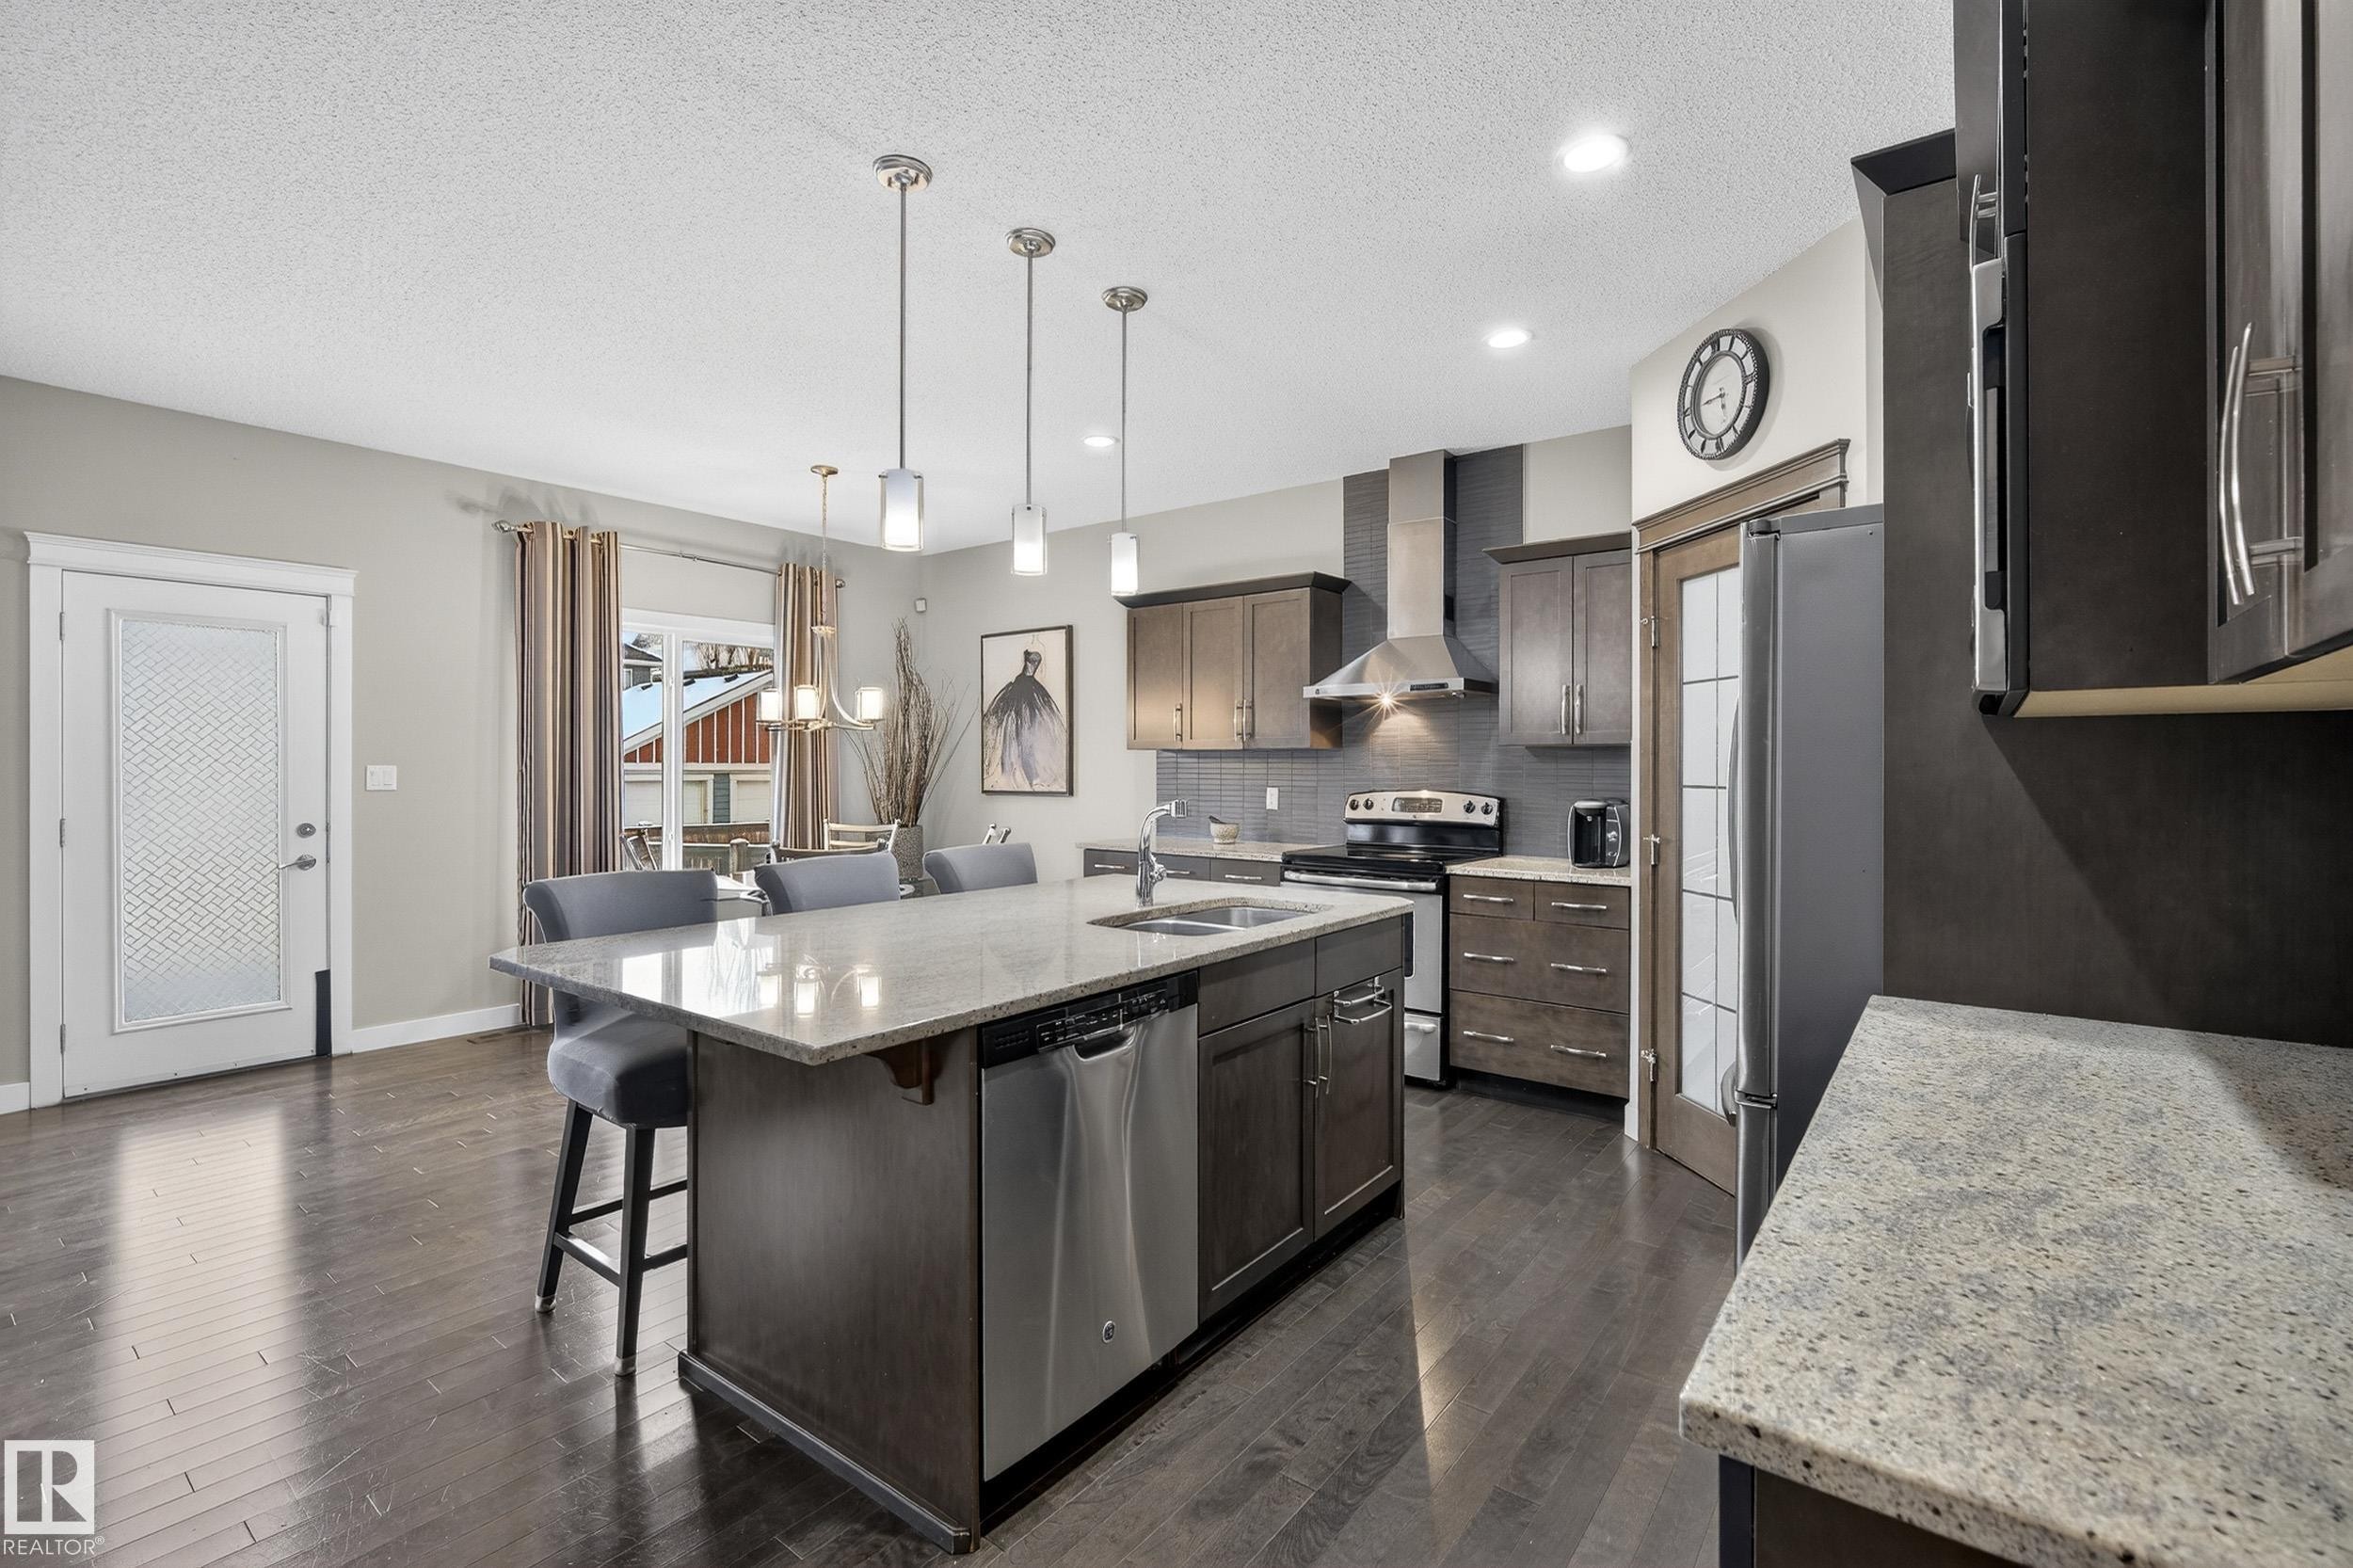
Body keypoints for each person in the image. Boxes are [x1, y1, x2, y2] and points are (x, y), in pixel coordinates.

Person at [984, 647, 1067, 792]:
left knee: (1030, 729)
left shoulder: (1032, 683)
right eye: (1034, 663)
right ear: (1029, 662)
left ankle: (1029, 770)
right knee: (1017, 729)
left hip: (1029, 689)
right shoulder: (1021, 684)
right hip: (1024, 689)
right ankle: (1017, 768)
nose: (1036, 666)